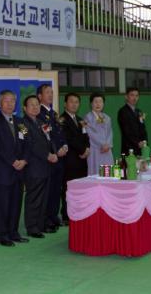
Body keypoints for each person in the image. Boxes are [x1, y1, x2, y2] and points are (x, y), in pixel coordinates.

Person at [0, 90, 29, 246]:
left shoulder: (21, 123)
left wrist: (24, 160)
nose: (10, 104)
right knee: (2, 205)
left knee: (16, 203)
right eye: (6, 101)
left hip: (19, 171)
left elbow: (27, 143)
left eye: (12, 101)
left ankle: (14, 232)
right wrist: (13, 161)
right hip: (2, 171)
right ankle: (2, 235)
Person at [22, 95, 57, 238]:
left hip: (46, 166)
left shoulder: (42, 122)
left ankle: (41, 224)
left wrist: (54, 152)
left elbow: (50, 139)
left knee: (44, 198)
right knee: (34, 198)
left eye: (37, 104)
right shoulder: (22, 125)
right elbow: (30, 143)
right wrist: (47, 155)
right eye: (31, 105)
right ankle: (32, 227)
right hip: (33, 167)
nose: (35, 107)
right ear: (25, 108)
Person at [36, 84, 67, 232]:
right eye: (47, 92)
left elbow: (60, 133)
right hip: (50, 158)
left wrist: (65, 146)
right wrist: (56, 150)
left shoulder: (54, 113)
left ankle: (53, 217)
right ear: (39, 96)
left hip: (60, 158)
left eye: (51, 92)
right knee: (48, 192)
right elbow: (46, 137)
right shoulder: (40, 114)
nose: (50, 95)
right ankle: (46, 220)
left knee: (56, 189)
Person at [60, 93, 90, 224]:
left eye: (77, 102)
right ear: (65, 104)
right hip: (70, 160)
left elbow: (86, 136)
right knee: (68, 188)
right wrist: (82, 150)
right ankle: (66, 215)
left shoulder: (80, 119)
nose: (74, 104)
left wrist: (87, 148)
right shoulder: (61, 119)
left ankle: (79, 211)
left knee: (81, 187)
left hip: (82, 160)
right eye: (71, 102)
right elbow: (68, 138)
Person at [84, 93, 113, 175]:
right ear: (91, 104)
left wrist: (108, 145)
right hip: (95, 150)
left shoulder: (107, 118)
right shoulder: (87, 118)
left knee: (108, 173)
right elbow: (90, 134)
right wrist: (102, 144)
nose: (98, 104)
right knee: (96, 173)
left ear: (103, 104)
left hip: (107, 150)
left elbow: (110, 133)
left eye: (100, 101)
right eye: (95, 102)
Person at [117, 87, 148, 155]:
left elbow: (143, 129)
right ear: (126, 97)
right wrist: (137, 143)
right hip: (129, 148)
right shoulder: (122, 111)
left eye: (137, 96)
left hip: (140, 148)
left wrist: (144, 141)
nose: (134, 98)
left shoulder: (139, 112)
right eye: (132, 95)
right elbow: (126, 131)